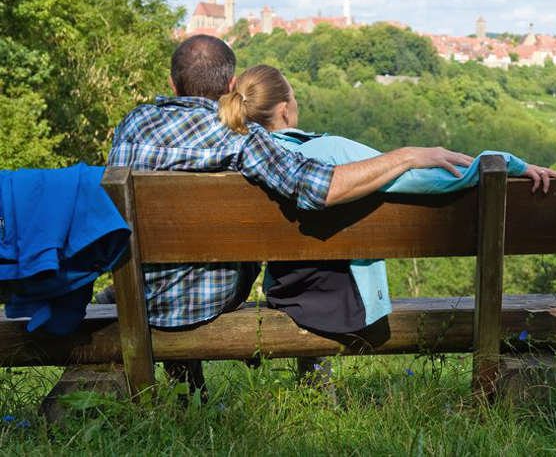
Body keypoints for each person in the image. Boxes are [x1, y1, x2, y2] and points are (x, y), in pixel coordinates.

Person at [105, 34, 475, 396]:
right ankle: (289, 386)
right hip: (207, 300)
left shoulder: (130, 126)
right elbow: (320, 188)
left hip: (140, 294)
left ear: (172, 84)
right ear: (231, 84)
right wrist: (407, 156)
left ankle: (183, 388)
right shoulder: (239, 136)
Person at [216, 64, 556, 350]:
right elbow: (437, 183)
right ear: (284, 110)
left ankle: (315, 383)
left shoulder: (234, 157)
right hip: (342, 305)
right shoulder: (333, 153)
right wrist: (508, 163)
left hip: (284, 293)